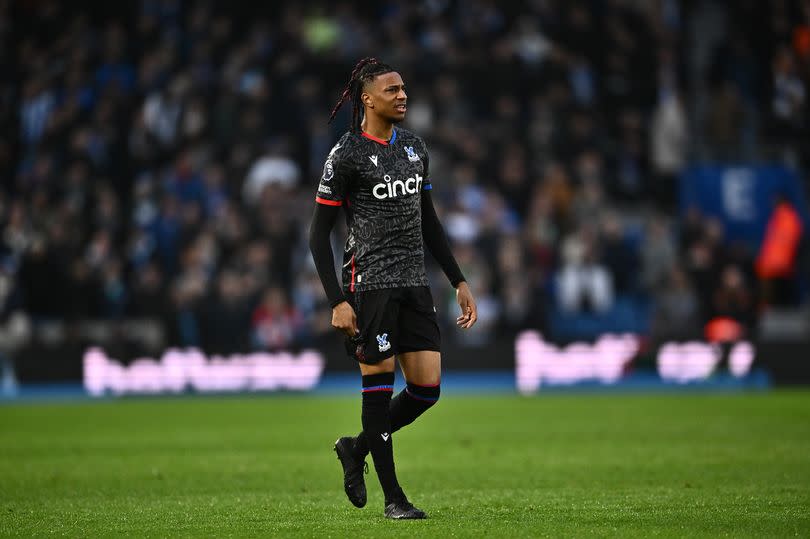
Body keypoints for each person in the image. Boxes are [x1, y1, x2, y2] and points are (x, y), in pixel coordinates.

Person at [308, 58, 477, 520]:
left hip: (415, 285)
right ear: (367, 98)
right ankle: (394, 499)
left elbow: (430, 221)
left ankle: (355, 447)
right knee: (379, 391)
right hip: (370, 289)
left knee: (426, 390)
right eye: (391, 90)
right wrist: (337, 300)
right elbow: (317, 234)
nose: (402, 96)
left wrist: (458, 279)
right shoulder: (346, 154)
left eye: (404, 88)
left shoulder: (415, 148)